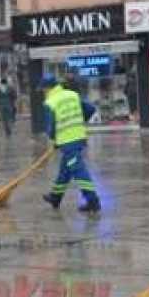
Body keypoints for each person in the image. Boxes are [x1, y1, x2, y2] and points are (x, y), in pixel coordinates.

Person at [39, 74, 101, 213]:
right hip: (78, 136)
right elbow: (90, 109)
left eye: (43, 90)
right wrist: (79, 121)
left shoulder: (50, 102)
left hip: (67, 141)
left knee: (79, 171)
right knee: (65, 169)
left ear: (47, 88)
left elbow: (51, 127)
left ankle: (92, 200)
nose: (43, 93)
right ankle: (55, 197)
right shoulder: (72, 94)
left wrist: (54, 139)